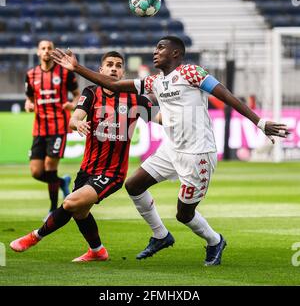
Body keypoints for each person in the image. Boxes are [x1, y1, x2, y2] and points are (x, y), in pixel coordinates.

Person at [50, 36, 289, 266]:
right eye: (155, 48)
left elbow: (226, 96)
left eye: (161, 48)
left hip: (198, 155)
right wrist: (77, 67)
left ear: (175, 53)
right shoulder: (155, 81)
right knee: (134, 185)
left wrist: (259, 123)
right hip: (171, 149)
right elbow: (112, 84)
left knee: (184, 215)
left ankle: (215, 241)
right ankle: (161, 235)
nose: (155, 51)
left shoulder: (192, 73)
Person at [10, 51, 158, 262]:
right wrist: (77, 122)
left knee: (70, 203)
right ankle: (97, 251)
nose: (114, 68)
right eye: (109, 64)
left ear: (123, 72)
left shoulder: (135, 98)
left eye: (118, 65)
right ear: (101, 70)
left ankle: (35, 236)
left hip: (112, 172)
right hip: (87, 169)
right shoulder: (91, 92)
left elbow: (160, 118)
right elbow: (73, 119)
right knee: (80, 212)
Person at [24, 40, 80, 220]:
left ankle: (52, 210)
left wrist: (72, 104)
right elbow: (29, 98)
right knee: (36, 172)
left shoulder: (64, 73)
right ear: (38, 52)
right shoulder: (31, 74)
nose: (46, 51)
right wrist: (29, 105)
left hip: (58, 127)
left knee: (49, 167)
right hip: (39, 128)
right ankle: (62, 182)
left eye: (49, 48)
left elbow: (78, 94)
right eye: (43, 48)